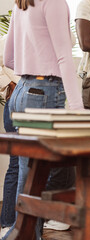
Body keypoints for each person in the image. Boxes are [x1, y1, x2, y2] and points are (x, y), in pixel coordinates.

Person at [3, 0, 84, 239]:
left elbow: (8, 59)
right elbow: (64, 59)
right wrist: (78, 110)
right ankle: (25, 235)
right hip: (44, 93)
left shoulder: (22, 2)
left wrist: (32, 68)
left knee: (26, 172)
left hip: (21, 91)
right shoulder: (54, 2)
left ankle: (22, 233)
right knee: (34, 178)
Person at [0, 35, 20, 238]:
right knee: (16, 164)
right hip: (15, 101)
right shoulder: (6, 39)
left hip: (40, 100)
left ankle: (31, 222)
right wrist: (11, 83)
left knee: (37, 164)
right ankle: (7, 222)